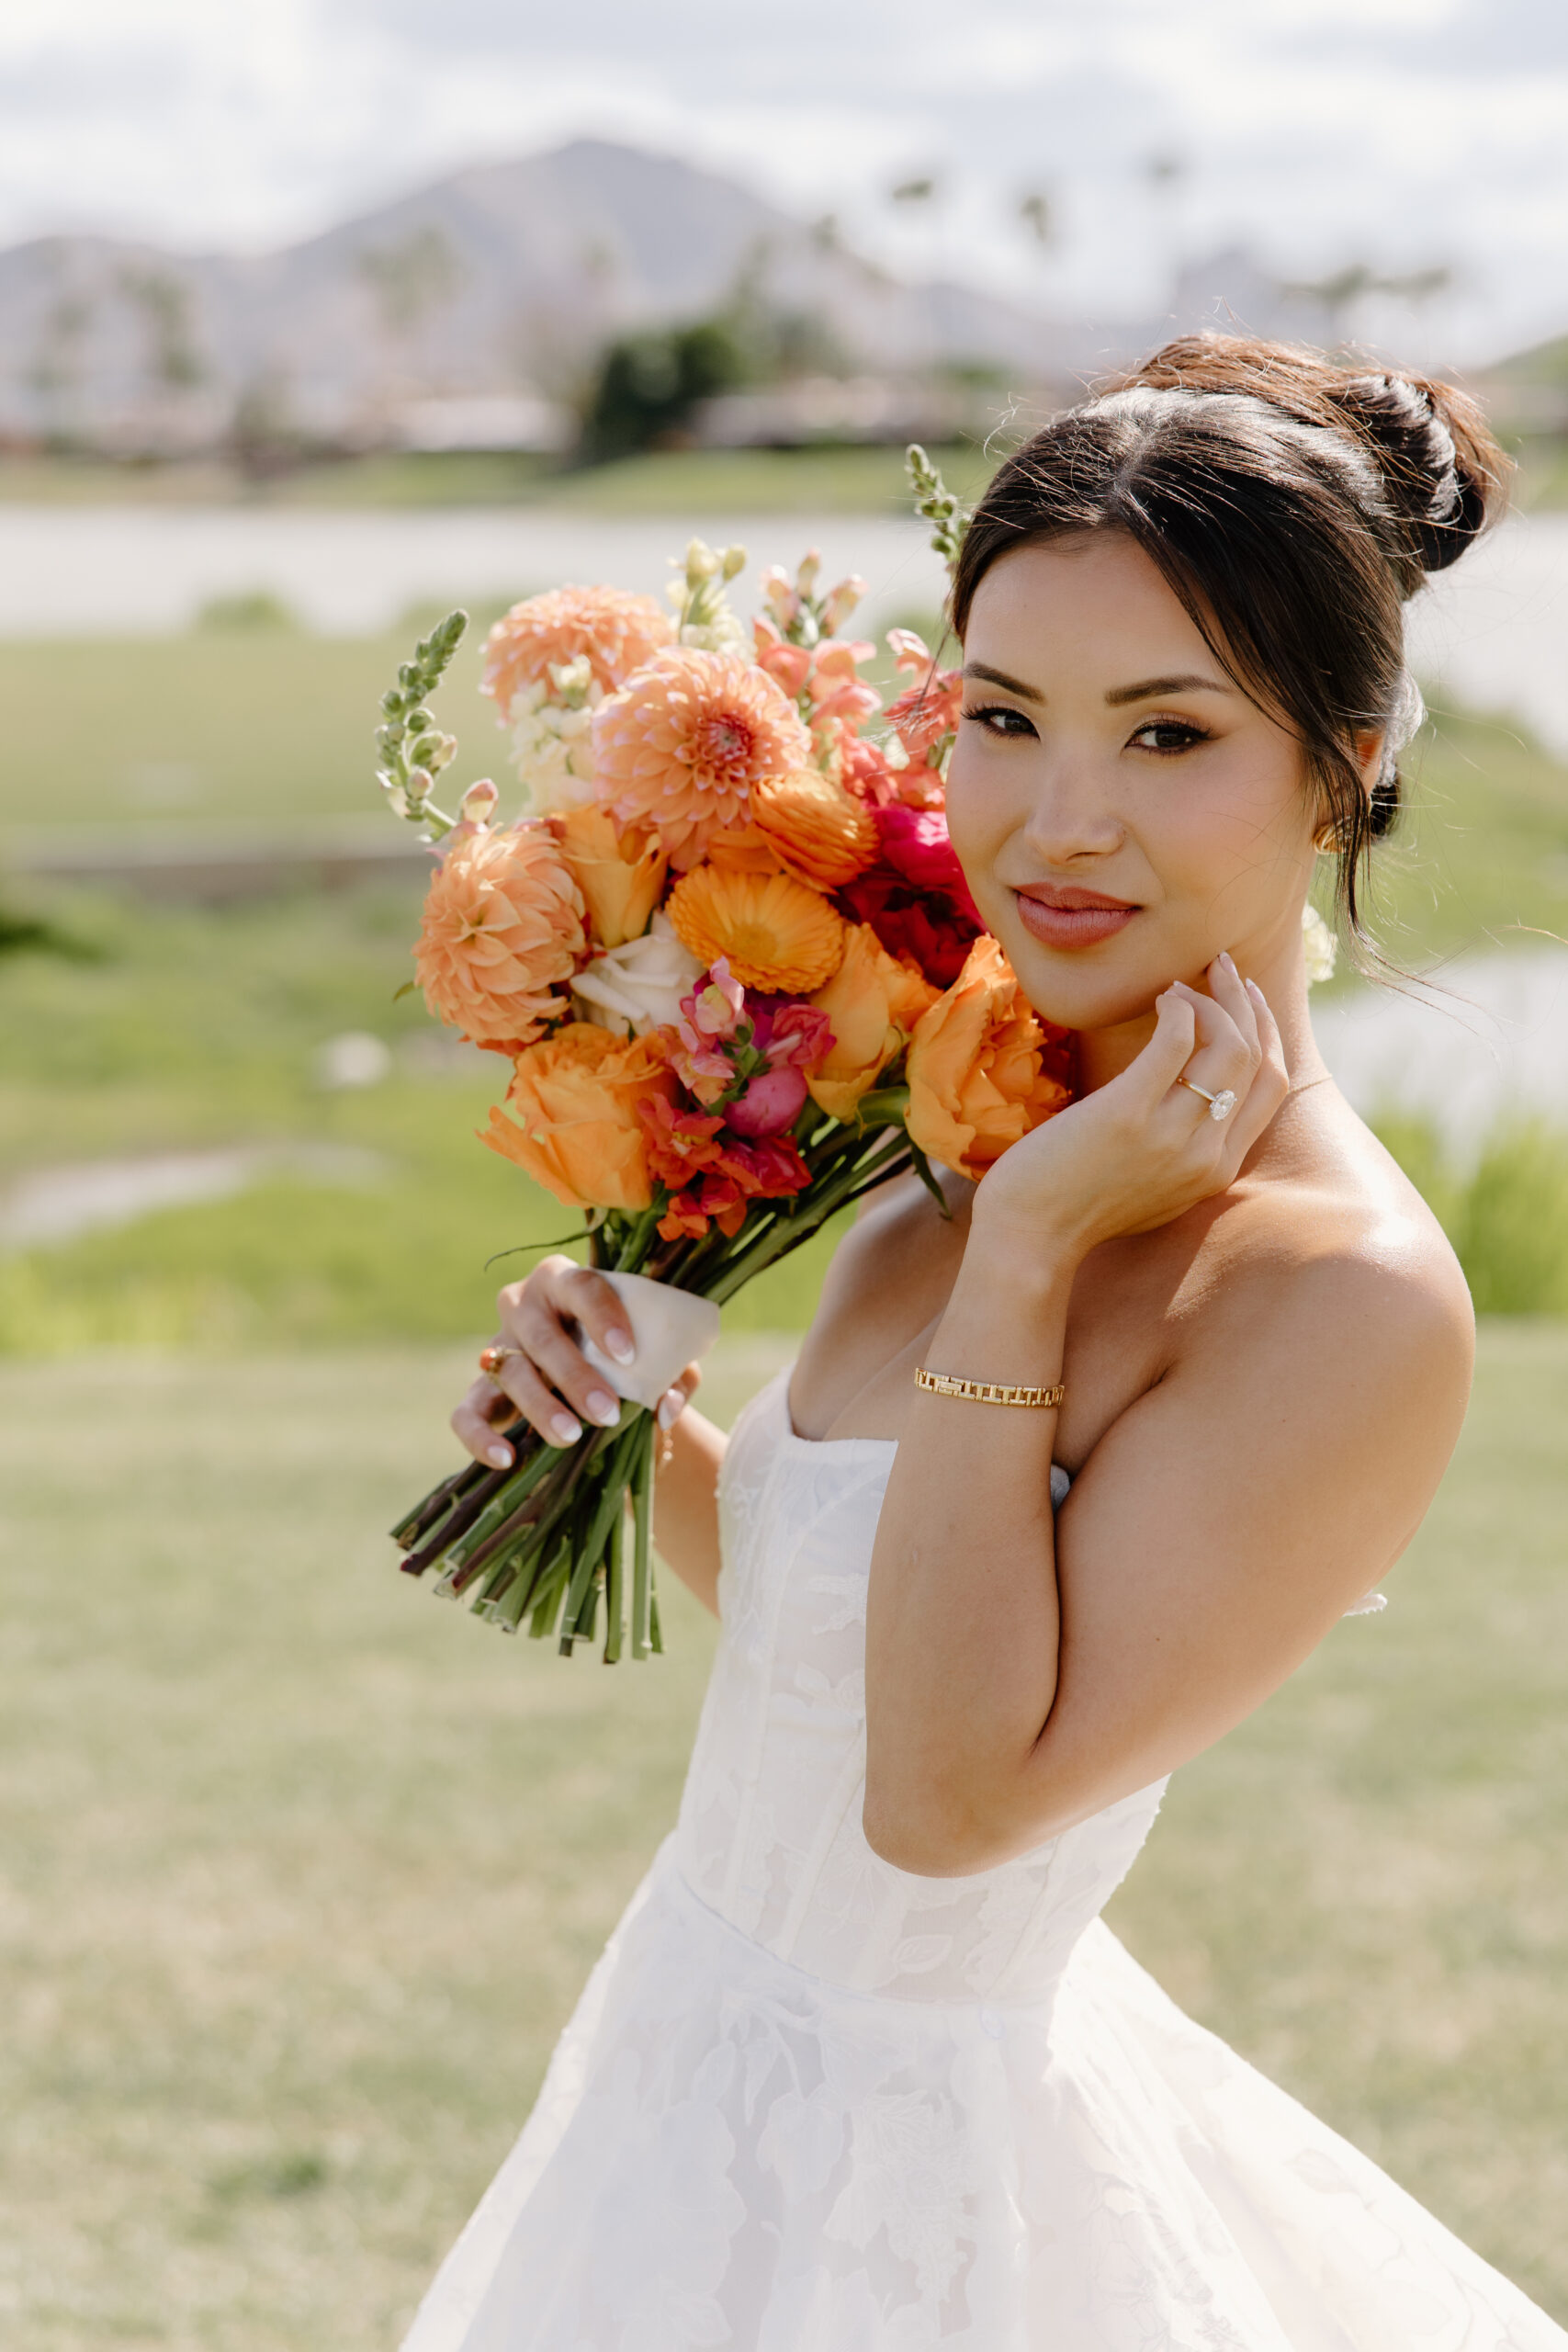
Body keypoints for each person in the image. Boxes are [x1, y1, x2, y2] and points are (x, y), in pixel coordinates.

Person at [401, 337, 1566, 2348]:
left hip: (923, 2191)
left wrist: (1025, 1250)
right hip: (690, 2063)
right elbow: (844, 1621)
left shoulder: (1330, 1289)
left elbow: (944, 1798)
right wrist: (634, 1420)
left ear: (1349, 753)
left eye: (1166, 734)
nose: (1054, 822)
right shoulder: (965, 1092)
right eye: (1005, 717)